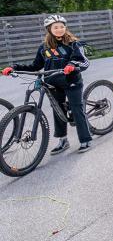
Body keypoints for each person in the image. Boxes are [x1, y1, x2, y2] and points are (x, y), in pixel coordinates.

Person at [1, 15, 93, 153]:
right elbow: (35, 66)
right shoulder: (44, 48)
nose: (60, 29)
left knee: (76, 109)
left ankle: (85, 139)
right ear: (49, 29)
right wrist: (15, 68)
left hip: (71, 81)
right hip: (52, 83)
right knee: (57, 111)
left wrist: (72, 66)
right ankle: (63, 140)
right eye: (56, 27)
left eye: (62, 26)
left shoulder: (73, 44)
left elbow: (84, 62)